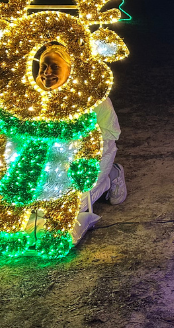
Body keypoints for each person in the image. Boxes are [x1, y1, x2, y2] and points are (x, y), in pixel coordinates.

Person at [35, 44, 127, 240]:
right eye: (44, 66)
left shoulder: (91, 96)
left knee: (75, 206)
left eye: (55, 67)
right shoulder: (33, 95)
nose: (47, 72)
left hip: (91, 153)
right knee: (32, 203)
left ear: (70, 69)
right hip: (52, 157)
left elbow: (108, 133)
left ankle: (113, 174)